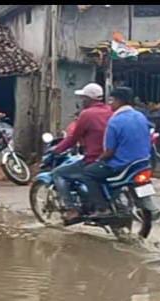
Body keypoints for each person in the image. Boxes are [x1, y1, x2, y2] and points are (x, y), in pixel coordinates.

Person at [82, 86, 160, 219]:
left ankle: (102, 208)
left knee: (88, 173)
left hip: (121, 165)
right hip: (142, 163)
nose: (110, 104)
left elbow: (109, 151)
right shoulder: (141, 117)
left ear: (119, 101)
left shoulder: (115, 121)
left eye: (111, 100)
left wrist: (98, 160)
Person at [49, 83, 112, 222]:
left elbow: (73, 138)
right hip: (110, 157)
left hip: (93, 158)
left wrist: (57, 149)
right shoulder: (110, 111)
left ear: (89, 99)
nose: (82, 101)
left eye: (83, 98)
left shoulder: (87, 114)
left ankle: (72, 209)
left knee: (58, 173)